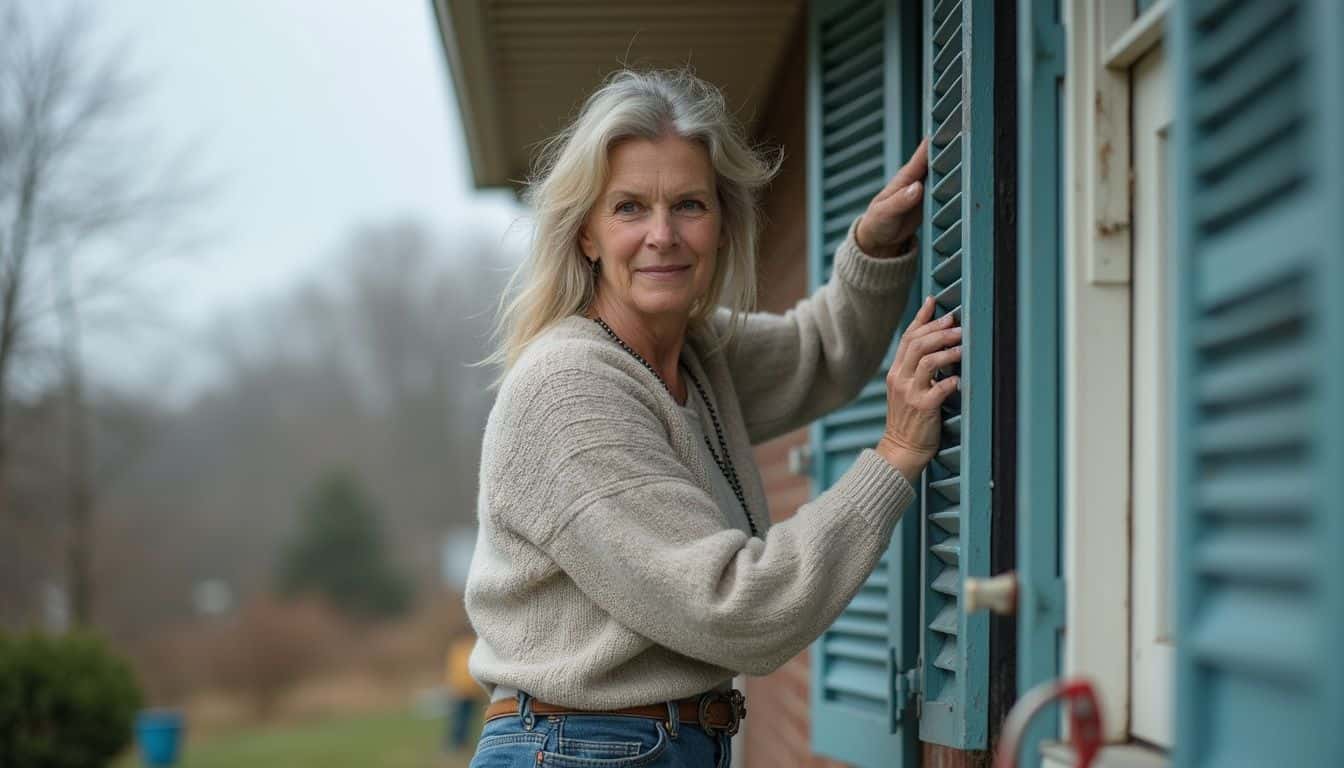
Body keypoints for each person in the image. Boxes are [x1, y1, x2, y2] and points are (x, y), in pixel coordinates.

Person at [463, 69, 959, 768]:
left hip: (643, 744)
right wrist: (898, 453)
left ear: (722, 226)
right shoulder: (571, 388)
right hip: (582, 749)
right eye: (630, 208)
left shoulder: (693, 354)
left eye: (688, 205)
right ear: (586, 236)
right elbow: (739, 609)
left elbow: (818, 356)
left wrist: (875, 248)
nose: (662, 235)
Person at [444, 632, 485, 753]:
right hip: (461, 692)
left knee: (468, 719)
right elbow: (457, 672)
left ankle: (462, 743)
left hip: (471, 692)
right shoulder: (462, 650)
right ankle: (455, 743)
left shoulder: (467, 649)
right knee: (459, 719)